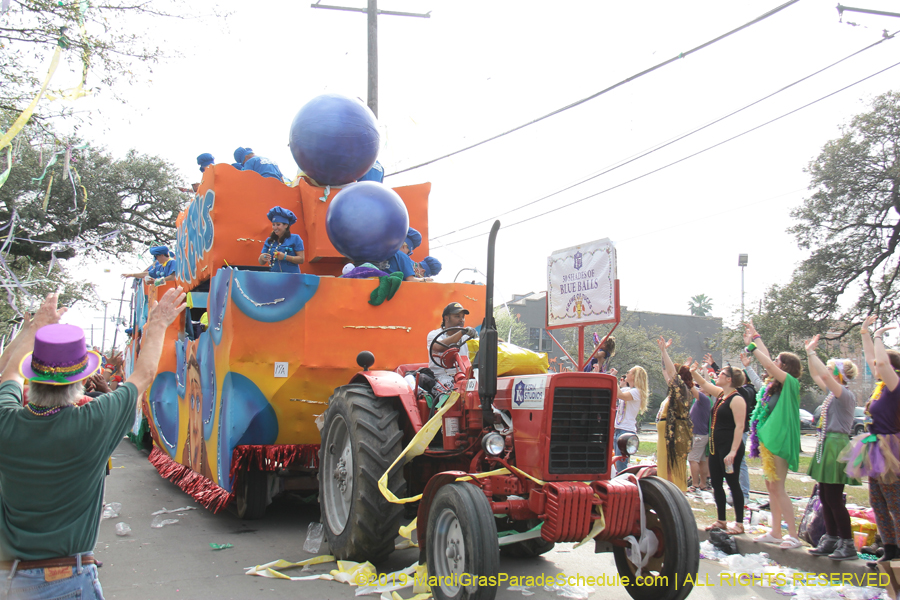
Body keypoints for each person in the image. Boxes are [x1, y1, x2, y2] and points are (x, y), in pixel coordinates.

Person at [0, 288, 186, 598]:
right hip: (67, 582)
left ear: (31, 379)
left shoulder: (7, 422)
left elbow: (8, 373)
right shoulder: (92, 422)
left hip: (9, 582)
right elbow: (144, 374)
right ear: (79, 382)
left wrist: (34, 329)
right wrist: (158, 324)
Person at [839, 316, 900, 568]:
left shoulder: (896, 385)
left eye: (878, 365)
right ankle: (890, 547)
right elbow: (873, 359)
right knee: (877, 501)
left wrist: (877, 336)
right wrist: (865, 332)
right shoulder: (881, 386)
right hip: (874, 445)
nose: (874, 366)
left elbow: (880, 361)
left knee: (895, 500)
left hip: (890, 448)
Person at [744, 321, 803, 548]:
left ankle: (794, 536)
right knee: (770, 486)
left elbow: (766, 361)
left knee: (778, 487)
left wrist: (751, 347)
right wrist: (756, 335)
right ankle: (776, 531)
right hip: (769, 440)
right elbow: (768, 361)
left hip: (781, 441)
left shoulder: (791, 383)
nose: (774, 364)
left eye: (779, 361)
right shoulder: (774, 384)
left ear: (786, 367)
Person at [803, 336, 861, 560]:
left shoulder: (844, 394)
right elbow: (818, 375)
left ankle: (847, 543)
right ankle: (831, 538)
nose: (827, 373)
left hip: (837, 445)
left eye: (831, 370)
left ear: (839, 375)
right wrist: (810, 354)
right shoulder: (832, 393)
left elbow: (824, 374)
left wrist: (812, 353)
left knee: (834, 498)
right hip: (827, 444)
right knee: (825, 497)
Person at [691, 361, 747, 535]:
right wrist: (693, 372)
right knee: (716, 483)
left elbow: (740, 427)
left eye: (721, 373)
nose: (718, 375)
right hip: (715, 448)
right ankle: (721, 520)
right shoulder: (722, 394)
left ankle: (739, 523)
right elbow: (705, 384)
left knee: (732, 483)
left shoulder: (737, 399)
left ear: (729, 379)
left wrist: (733, 451)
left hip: (729, 448)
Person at [608, 365, 649, 474]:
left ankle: (624, 485)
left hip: (626, 431)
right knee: (614, 463)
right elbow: (616, 391)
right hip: (618, 429)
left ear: (635, 376)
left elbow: (619, 394)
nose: (626, 374)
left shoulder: (637, 392)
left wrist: (614, 379)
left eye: (629, 372)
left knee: (621, 464)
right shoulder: (628, 389)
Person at [427, 302, 477, 389]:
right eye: (457, 316)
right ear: (446, 318)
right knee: (448, 391)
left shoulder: (467, 337)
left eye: (463, 317)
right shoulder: (433, 335)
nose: (461, 320)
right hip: (439, 377)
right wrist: (461, 332)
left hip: (463, 376)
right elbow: (439, 347)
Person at [258, 207, 304, 273]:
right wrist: (262, 258)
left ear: (286, 225)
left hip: (292, 278)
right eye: (273, 225)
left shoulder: (295, 238)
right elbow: (261, 262)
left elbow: (301, 259)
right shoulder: (270, 241)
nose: (275, 227)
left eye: (278, 224)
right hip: (275, 278)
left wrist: (285, 257)